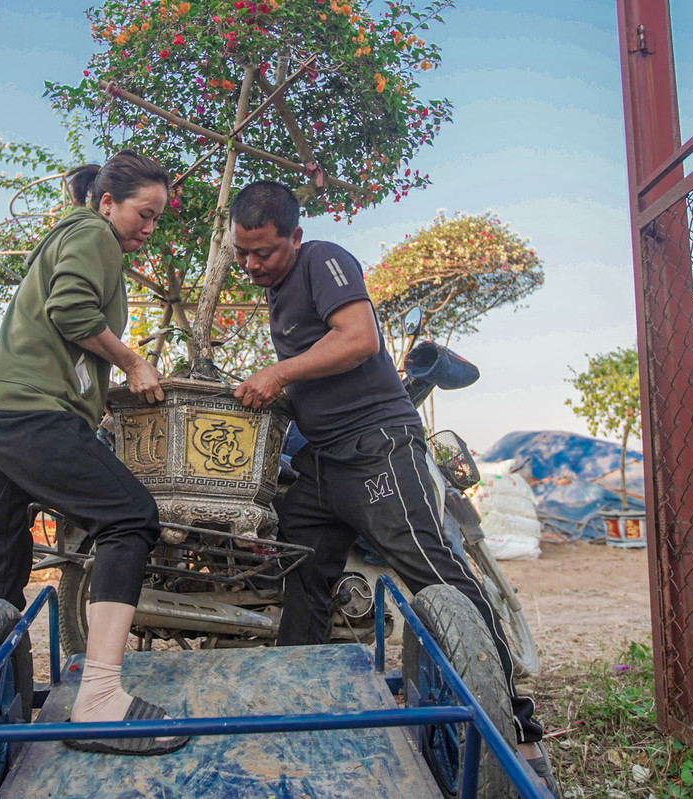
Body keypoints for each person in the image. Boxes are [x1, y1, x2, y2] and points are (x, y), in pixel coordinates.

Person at [228, 179, 558, 794]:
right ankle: (298, 705)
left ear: (294, 238)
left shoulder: (325, 260)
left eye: (264, 252)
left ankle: (507, 705)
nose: (251, 265)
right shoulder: (277, 288)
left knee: (436, 570)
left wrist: (277, 372)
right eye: (242, 252)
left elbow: (359, 340)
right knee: (301, 579)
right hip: (321, 463)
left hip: (378, 449)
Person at [0, 150, 188, 756]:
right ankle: (100, 701)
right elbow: (71, 313)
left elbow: (61, 340)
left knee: (0, 580)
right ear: (108, 202)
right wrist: (134, 360)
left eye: (157, 219)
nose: (148, 228)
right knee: (131, 517)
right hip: (32, 414)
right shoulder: (93, 233)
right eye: (144, 214)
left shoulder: (67, 238)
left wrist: (102, 395)